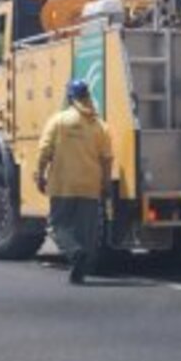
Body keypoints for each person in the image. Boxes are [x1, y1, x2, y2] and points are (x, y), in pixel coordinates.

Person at [34, 80, 113, 285]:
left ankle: (74, 252)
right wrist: (106, 183)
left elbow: (44, 151)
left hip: (63, 185)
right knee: (85, 233)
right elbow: (107, 158)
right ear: (87, 97)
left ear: (70, 98)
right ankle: (80, 272)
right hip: (90, 187)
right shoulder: (99, 125)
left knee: (56, 226)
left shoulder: (59, 121)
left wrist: (39, 174)